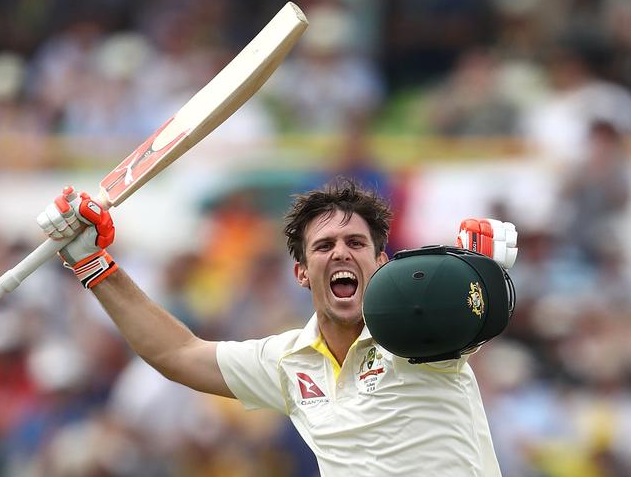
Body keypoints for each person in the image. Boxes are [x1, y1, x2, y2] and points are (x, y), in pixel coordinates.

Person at [36, 177, 514, 476]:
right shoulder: (287, 361)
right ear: (302, 272)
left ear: (381, 261)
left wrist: (481, 266)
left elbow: (471, 303)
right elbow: (177, 355)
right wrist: (90, 262)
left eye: (356, 242)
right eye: (324, 246)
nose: (342, 253)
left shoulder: (420, 333)